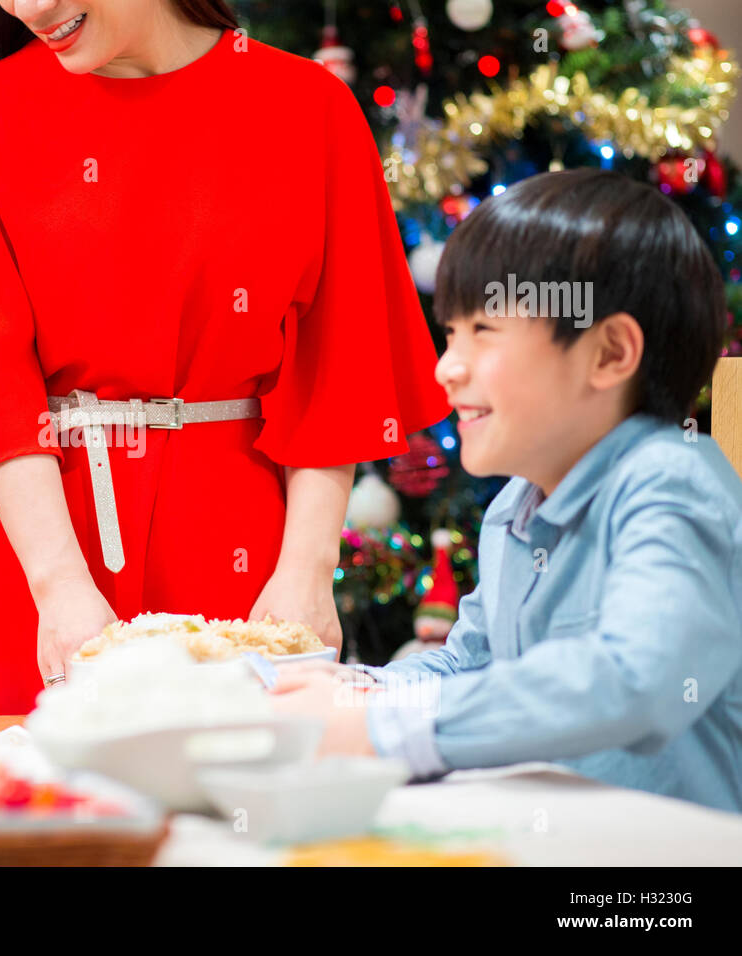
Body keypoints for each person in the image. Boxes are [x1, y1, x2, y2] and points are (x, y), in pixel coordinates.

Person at [0, 0, 450, 714]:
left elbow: (340, 366)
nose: (29, 8)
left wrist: (307, 569)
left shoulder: (309, 108)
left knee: (246, 808)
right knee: (34, 812)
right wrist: (58, 587)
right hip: (37, 554)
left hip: (242, 549)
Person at [273, 168, 742, 814]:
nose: (447, 367)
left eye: (483, 332)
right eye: (450, 334)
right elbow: (463, 668)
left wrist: (386, 732)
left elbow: (639, 679)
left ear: (609, 354)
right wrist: (345, 692)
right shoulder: (513, 511)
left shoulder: (670, 483)